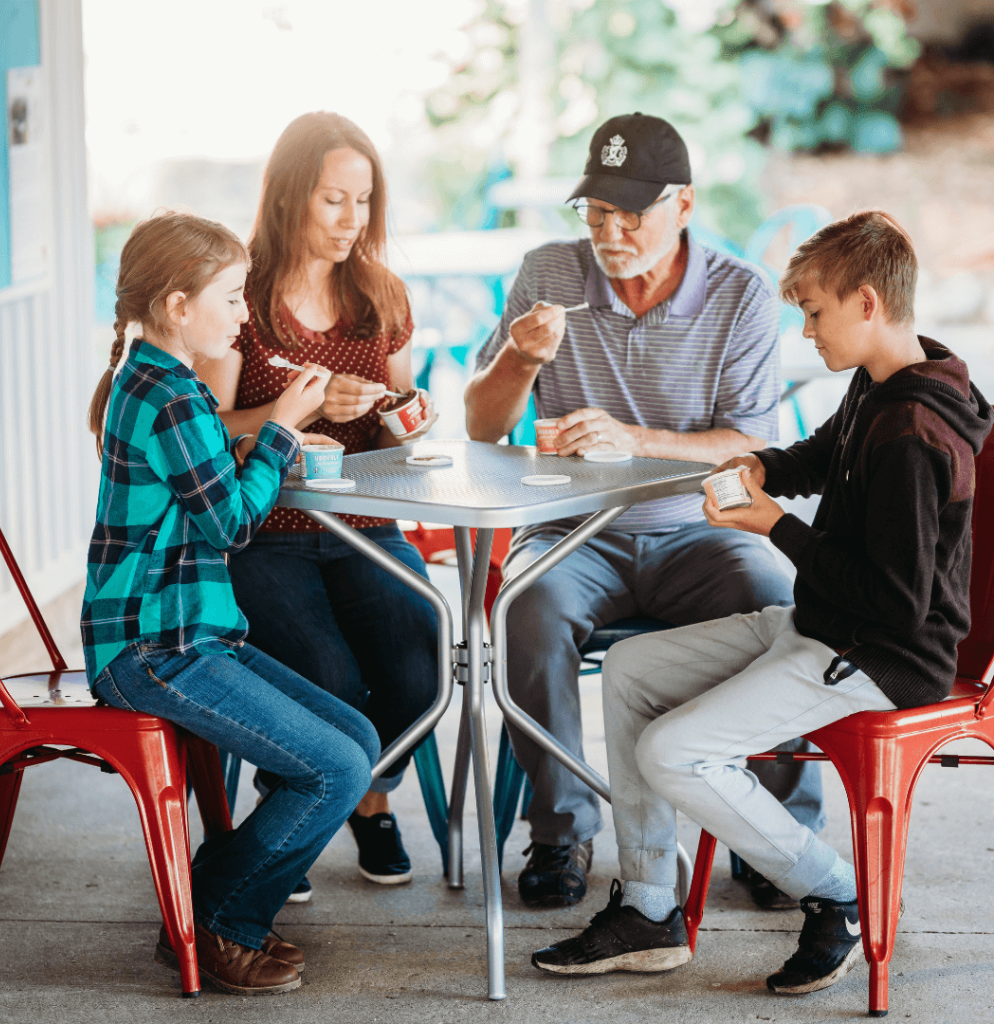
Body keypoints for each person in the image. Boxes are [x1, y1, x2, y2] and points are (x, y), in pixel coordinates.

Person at [531, 211, 993, 996]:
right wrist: (758, 472)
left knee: (673, 751)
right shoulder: (881, 384)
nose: (806, 332)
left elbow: (897, 603)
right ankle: (649, 907)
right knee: (633, 667)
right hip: (826, 628)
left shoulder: (913, 432)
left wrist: (773, 525)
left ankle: (836, 891)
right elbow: (817, 456)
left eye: (814, 313)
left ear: (868, 303)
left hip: (881, 655)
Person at [465, 112, 821, 909]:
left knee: (783, 602)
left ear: (685, 205)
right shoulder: (547, 272)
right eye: (598, 213)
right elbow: (482, 426)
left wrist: (631, 440)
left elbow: (752, 443)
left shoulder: (739, 294)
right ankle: (561, 830)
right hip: (569, 534)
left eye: (633, 213)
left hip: (701, 530)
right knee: (525, 604)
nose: (612, 232)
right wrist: (522, 358)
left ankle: (770, 831)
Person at [82, 212, 380, 996]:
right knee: (336, 766)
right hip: (154, 646)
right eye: (231, 298)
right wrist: (282, 426)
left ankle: (203, 907)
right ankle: (221, 920)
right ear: (178, 306)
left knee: (355, 734)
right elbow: (234, 525)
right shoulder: (171, 397)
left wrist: (274, 430)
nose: (245, 315)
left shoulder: (154, 379)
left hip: (192, 634)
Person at [195, 112, 438, 891]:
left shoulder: (381, 295)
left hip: (366, 524)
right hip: (264, 530)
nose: (352, 221)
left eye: (363, 202)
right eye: (334, 199)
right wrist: (295, 411)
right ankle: (293, 804)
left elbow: (400, 422)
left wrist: (411, 416)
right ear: (291, 195)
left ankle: (365, 796)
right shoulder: (244, 294)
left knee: (423, 654)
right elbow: (208, 431)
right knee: (329, 677)